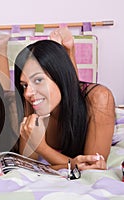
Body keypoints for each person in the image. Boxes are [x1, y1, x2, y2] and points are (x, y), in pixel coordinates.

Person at [14, 37, 115, 170]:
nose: (27, 93)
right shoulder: (32, 100)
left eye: (38, 80)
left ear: (59, 75)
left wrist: (42, 148)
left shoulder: (100, 98)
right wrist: (71, 165)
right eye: (24, 85)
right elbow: (28, 164)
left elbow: (94, 167)